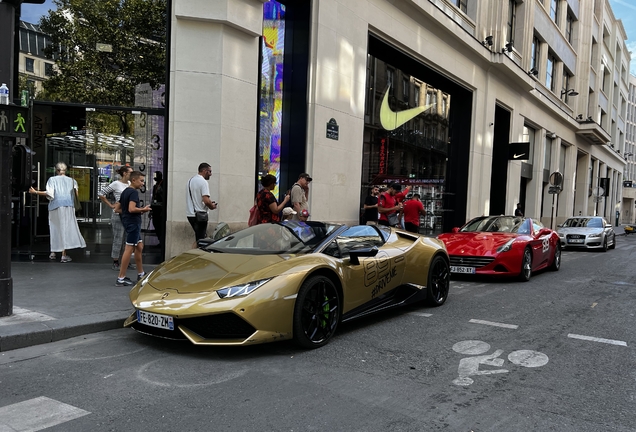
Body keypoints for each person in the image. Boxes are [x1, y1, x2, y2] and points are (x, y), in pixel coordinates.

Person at [29, 162, 86, 262]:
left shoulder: (52, 179)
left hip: (55, 206)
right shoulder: (72, 181)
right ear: (66, 170)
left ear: (56, 170)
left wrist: (36, 192)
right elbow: (76, 195)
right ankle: (63, 255)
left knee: (55, 228)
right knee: (65, 229)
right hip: (68, 206)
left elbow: (50, 193)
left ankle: (53, 252)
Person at [114, 171, 151, 286]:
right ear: (134, 180)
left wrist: (127, 214)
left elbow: (117, 209)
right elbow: (131, 209)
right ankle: (121, 278)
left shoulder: (125, 191)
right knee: (129, 249)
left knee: (139, 246)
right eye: (141, 181)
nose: (142, 183)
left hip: (128, 222)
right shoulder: (133, 193)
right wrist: (143, 210)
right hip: (133, 223)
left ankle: (141, 273)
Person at [98, 165, 132, 270]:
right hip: (118, 214)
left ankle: (125, 260)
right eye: (130, 172)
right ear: (125, 173)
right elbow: (101, 193)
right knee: (118, 238)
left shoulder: (130, 184)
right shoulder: (116, 184)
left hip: (127, 214)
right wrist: (111, 205)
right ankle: (115, 260)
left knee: (127, 239)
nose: (132, 174)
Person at [186, 163, 218, 248]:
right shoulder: (203, 182)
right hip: (200, 216)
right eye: (209, 171)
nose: (211, 174)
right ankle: (194, 258)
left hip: (190, 214)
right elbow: (206, 201)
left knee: (199, 239)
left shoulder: (190, 180)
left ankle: (193, 256)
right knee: (201, 242)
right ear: (204, 171)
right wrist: (212, 206)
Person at [150, 171, 164, 246]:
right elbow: (153, 197)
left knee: (160, 225)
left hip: (161, 209)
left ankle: (162, 240)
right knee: (156, 224)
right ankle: (160, 239)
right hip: (155, 208)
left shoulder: (163, 184)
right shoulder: (155, 186)